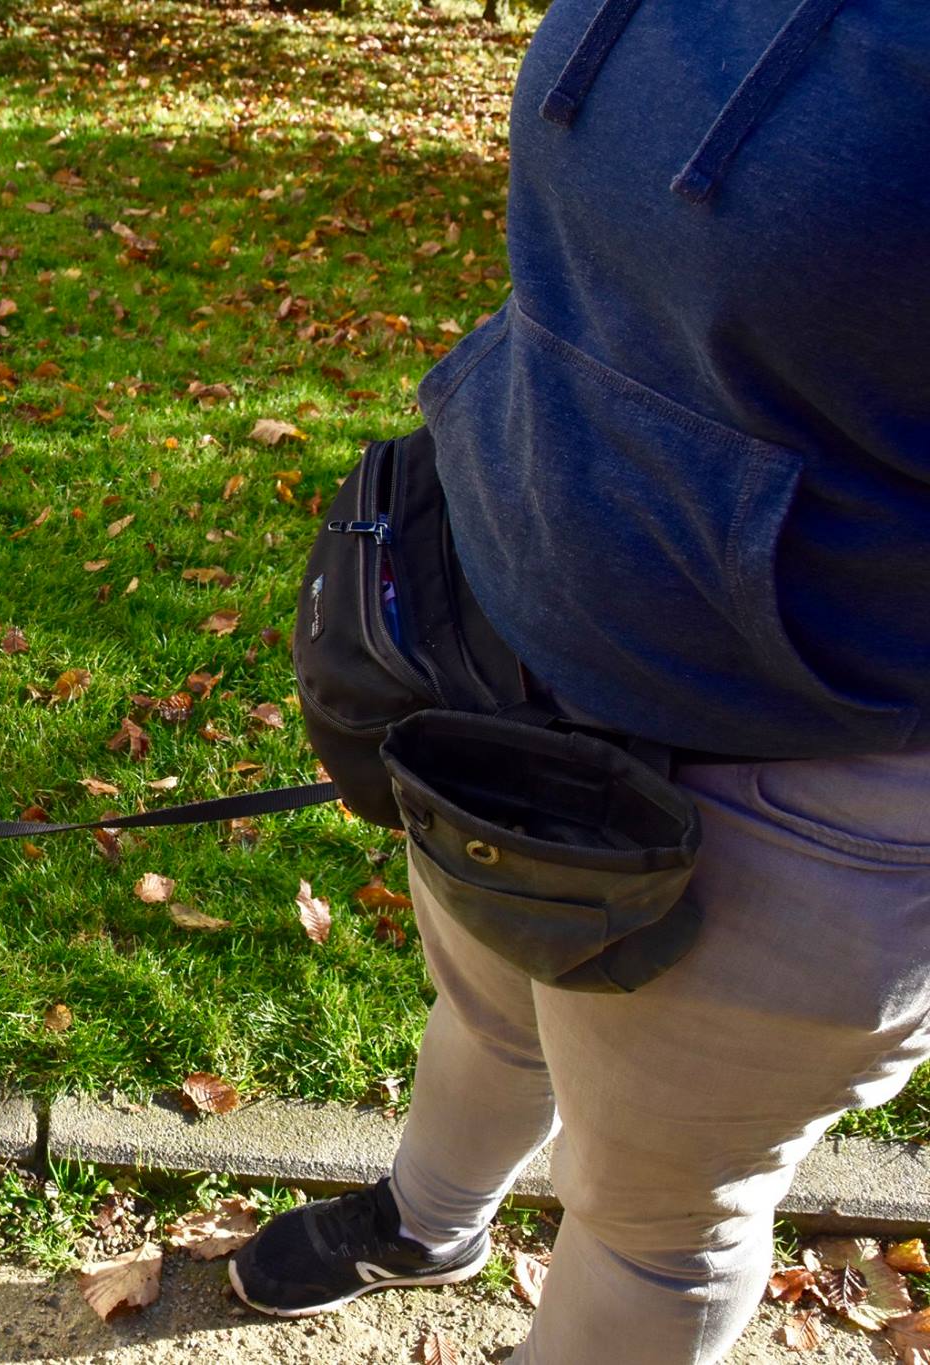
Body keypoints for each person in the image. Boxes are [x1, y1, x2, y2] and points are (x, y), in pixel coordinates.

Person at [229, 1, 930, 1361]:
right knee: (493, 1009)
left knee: (654, 1223)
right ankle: (429, 1222)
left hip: (801, 792)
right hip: (497, 660)